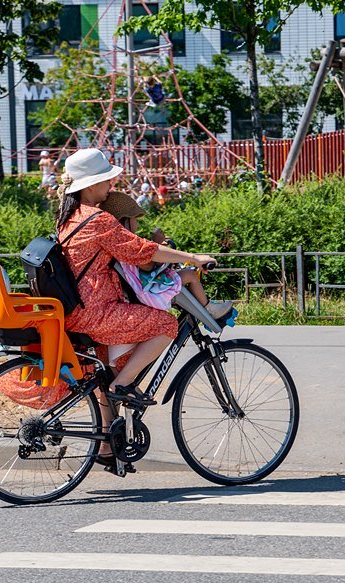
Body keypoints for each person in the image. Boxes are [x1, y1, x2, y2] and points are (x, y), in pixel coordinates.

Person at [58, 148, 217, 457]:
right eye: (106, 181)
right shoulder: (97, 220)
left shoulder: (68, 218)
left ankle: (106, 445)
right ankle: (123, 387)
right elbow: (143, 250)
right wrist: (194, 259)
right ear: (90, 185)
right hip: (97, 313)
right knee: (165, 323)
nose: (111, 186)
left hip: (76, 311)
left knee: (103, 370)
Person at [99, 190, 232, 319]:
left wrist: (158, 246)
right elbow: (148, 265)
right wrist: (158, 244)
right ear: (125, 222)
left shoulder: (118, 242)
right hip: (146, 290)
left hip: (140, 286)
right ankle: (209, 309)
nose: (137, 224)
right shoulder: (127, 245)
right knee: (190, 275)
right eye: (135, 219)